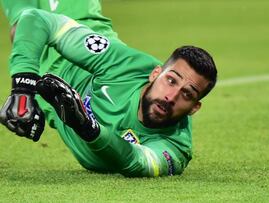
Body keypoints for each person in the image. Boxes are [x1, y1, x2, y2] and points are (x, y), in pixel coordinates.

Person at [0, 2, 217, 177]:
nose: (171, 97)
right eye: (170, 80)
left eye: (187, 94)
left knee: (19, 29)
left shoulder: (175, 147)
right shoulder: (125, 65)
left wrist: (87, 126)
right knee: (27, 26)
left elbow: (136, 162)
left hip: (44, 68)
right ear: (155, 74)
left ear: (194, 108)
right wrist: (23, 89)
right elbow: (37, 20)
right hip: (77, 23)